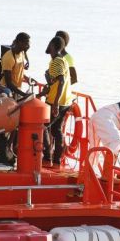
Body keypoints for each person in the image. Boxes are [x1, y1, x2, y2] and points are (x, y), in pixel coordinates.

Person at [39, 36, 73, 166]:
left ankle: (47, 156)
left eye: (49, 43)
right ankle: (57, 158)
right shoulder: (62, 60)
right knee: (56, 130)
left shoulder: (56, 61)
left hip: (56, 101)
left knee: (43, 126)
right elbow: (56, 81)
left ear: (52, 45)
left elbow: (62, 81)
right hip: (66, 100)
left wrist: (55, 103)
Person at [0, 32, 31, 98]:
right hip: (7, 92)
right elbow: (8, 83)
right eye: (27, 44)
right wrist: (24, 95)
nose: (29, 46)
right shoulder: (9, 57)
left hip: (16, 89)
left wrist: (27, 78)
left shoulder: (22, 53)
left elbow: (16, 71)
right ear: (19, 42)